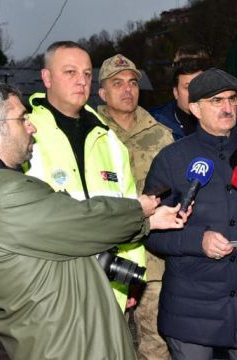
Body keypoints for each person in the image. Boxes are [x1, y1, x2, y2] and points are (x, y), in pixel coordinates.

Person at [0, 81, 188, 360]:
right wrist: (140, 210)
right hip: (69, 345)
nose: (32, 126)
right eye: (21, 118)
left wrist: (147, 223)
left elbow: (64, 237)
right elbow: (83, 221)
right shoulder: (2, 193)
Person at [144, 68, 237, 359]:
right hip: (191, 308)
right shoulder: (171, 160)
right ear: (195, 108)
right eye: (216, 101)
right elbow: (151, 232)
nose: (227, 108)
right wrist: (198, 241)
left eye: (231, 99)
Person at [24, 41, 143, 313]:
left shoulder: (110, 140)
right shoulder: (26, 134)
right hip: (52, 295)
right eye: (70, 72)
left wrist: (132, 277)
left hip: (110, 290)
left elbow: (131, 213)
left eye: (87, 74)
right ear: (47, 77)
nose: (81, 81)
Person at [97, 53, 174, 360]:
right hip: (104, 257)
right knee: (107, 342)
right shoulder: (90, 133)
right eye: (117, 83)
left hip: (153, 260)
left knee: (156, 341)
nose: (127, 89)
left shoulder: (160, 134)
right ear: (103, 93)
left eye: (132, 82)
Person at [149, 50, 212, 140]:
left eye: (200, 85)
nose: (194, 92)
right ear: (176, 92)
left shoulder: (224, 120)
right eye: (187, 87)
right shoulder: (154, 124)